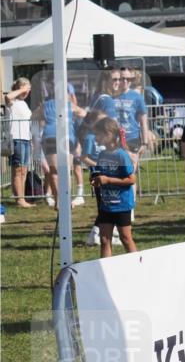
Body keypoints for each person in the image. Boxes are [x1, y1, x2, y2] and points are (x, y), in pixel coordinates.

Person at [89, 117, 137, 257]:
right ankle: (105, 273)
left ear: (109, 134)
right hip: (106, 205)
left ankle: (138, 269)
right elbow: (100, 173)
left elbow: (131, 179)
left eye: (98, 134)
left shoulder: (121, 155)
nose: (96, 138)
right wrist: (95, 179)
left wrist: (108, 180)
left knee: (125, 238)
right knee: (104, 239)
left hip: (121, 205)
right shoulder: (102, 155)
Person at [33, 83, 85, 208]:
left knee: (54, 170)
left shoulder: (45, 105)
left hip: (49, 135)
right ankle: (65, 200)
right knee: (65, 170)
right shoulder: (68, 105)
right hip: (66, 137)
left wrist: (42, 123)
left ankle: (58, 200)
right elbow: (83, 113)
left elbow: (33, 116)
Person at [5, 78, 34, 207]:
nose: (27, 91)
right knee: (18, 169)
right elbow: (8, 96)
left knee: (24, 170)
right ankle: (20, 199)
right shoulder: (13, 102)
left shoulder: (24, 103)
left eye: (28, 89)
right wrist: (22, 89)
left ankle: (21, 197)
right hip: (16, 139)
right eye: (24, 88)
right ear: (19, 87)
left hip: (26, 139)